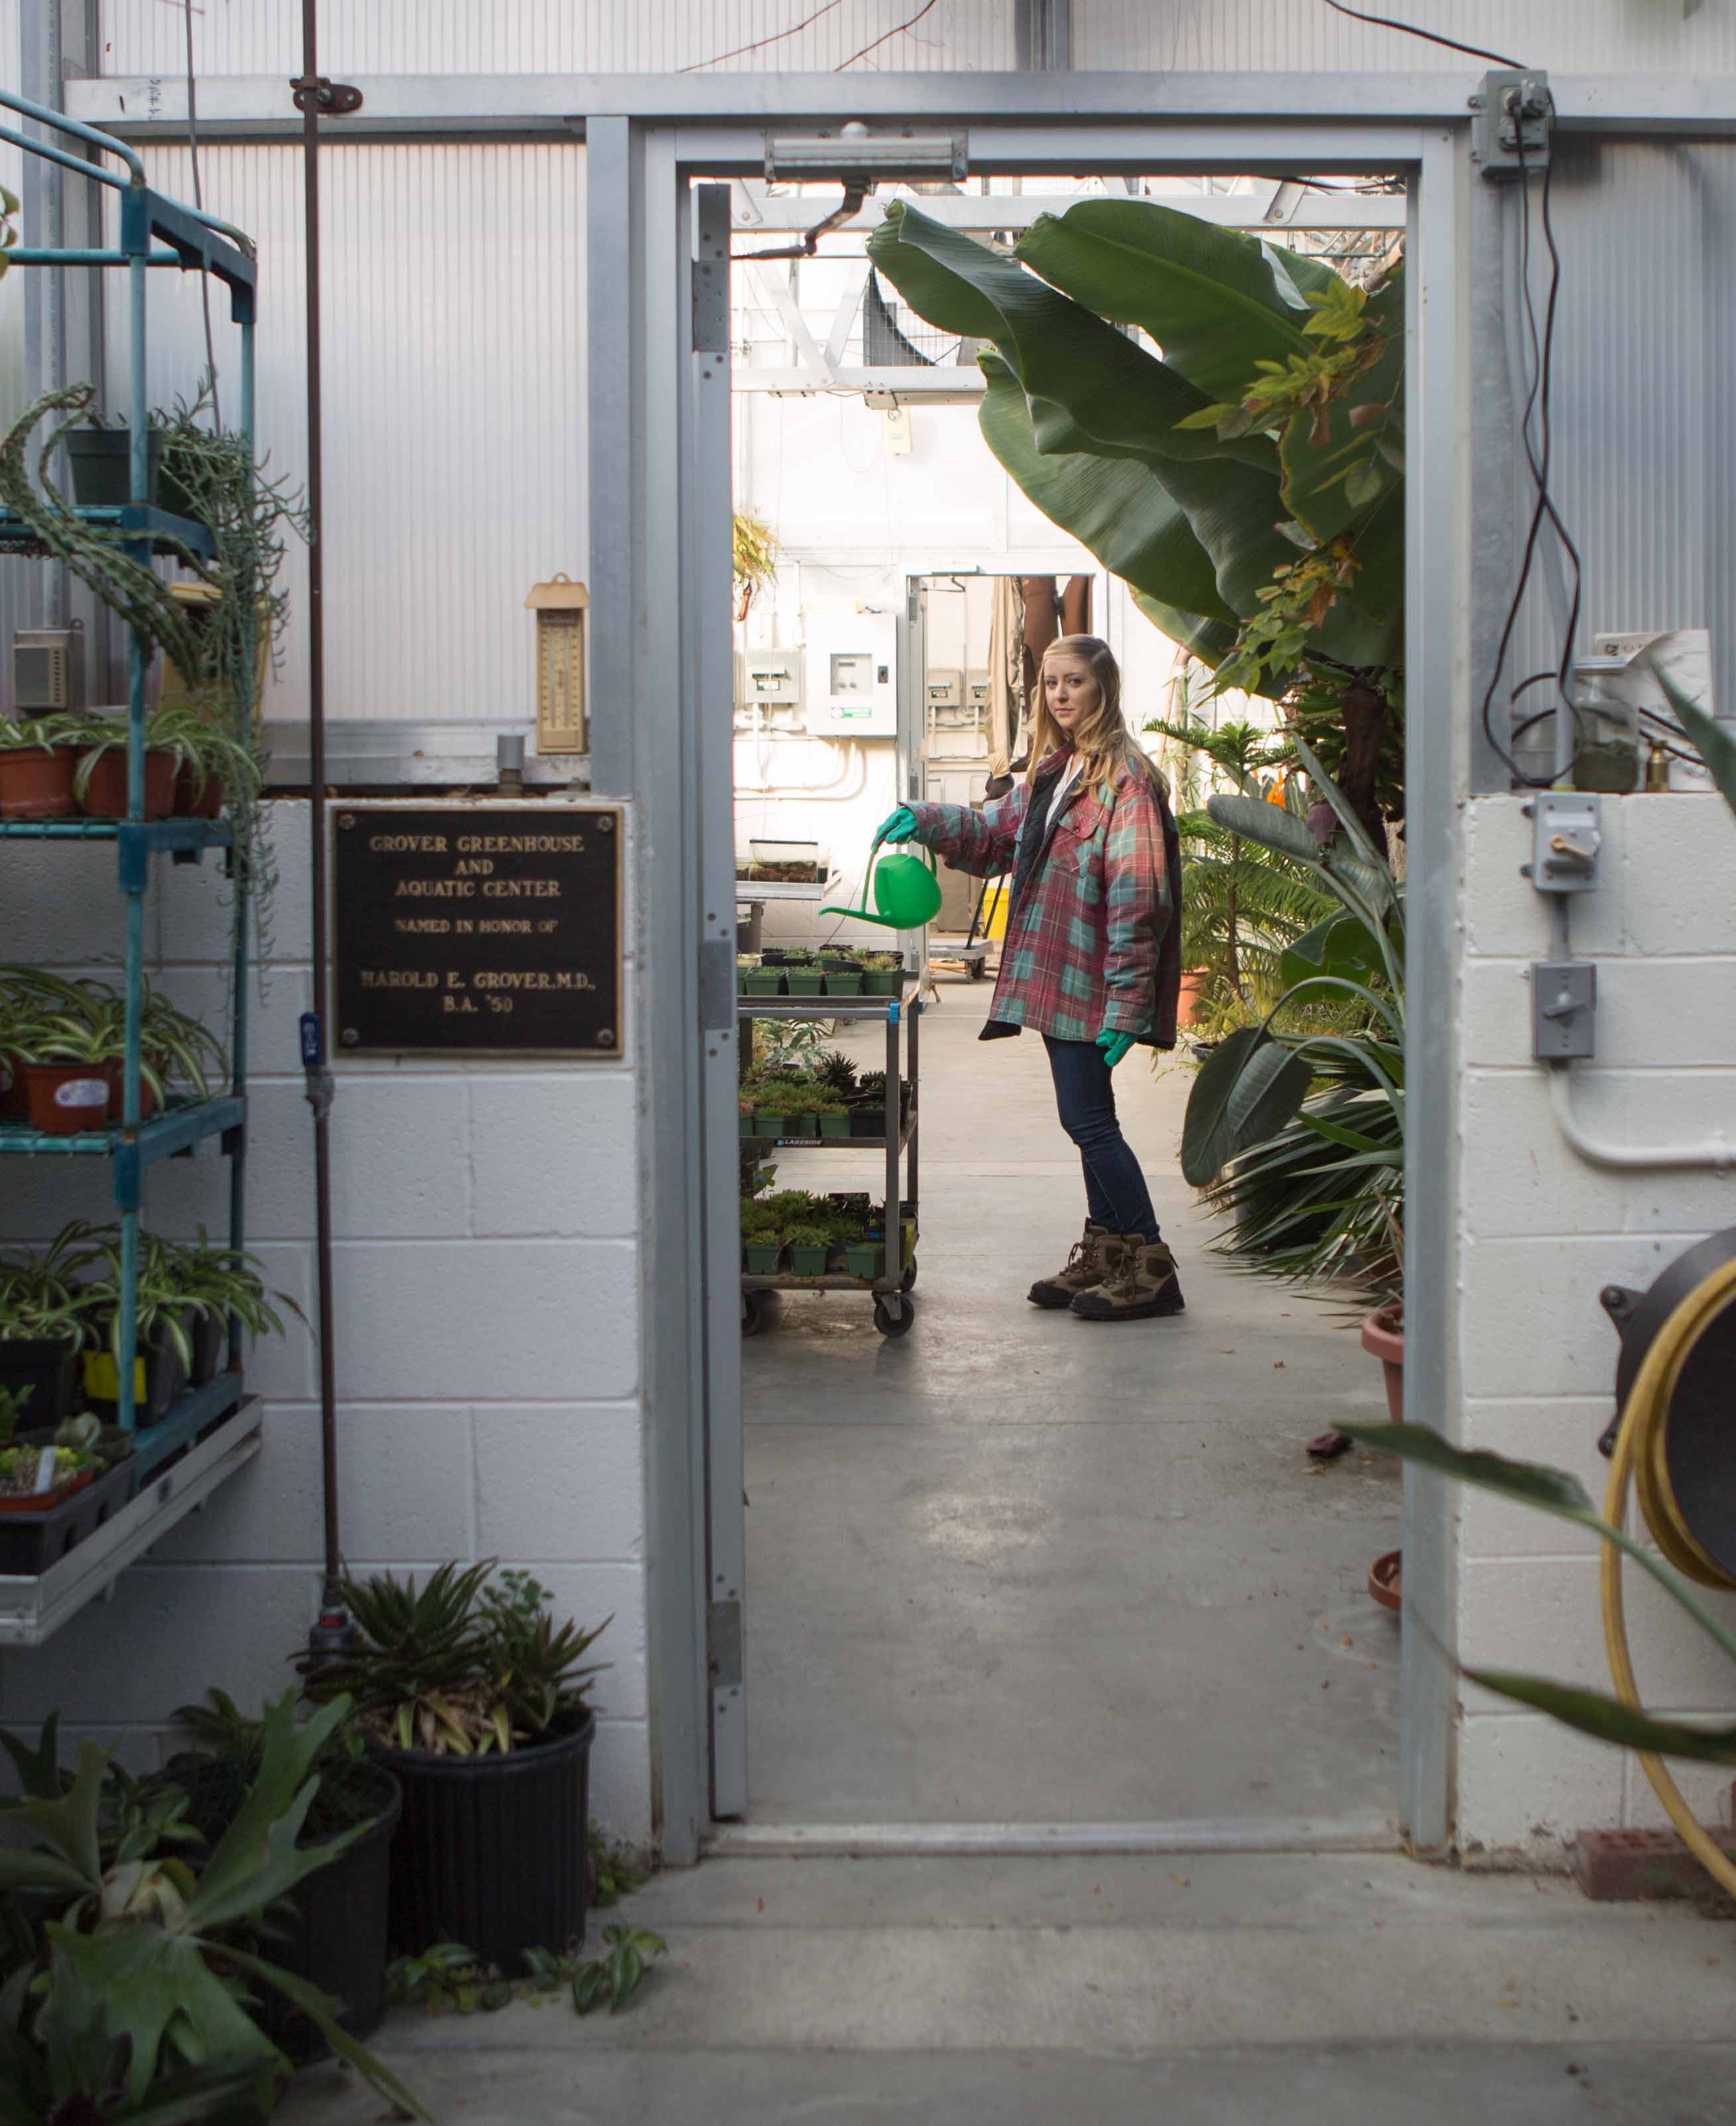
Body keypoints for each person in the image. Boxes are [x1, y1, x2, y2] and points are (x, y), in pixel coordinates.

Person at [876, 635, 1185, 1324]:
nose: (1061, 696)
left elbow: (1142, 897)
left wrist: (1129, 1001)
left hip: (1094, 980)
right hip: (1056, 974)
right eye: (1051, 685)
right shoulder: (1056, 771)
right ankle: (1108, 1253)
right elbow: (995, 836)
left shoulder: (1125, 780)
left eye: (1074, 682)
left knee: (1090, 1124)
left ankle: (1152, 1266)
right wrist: (925, 820)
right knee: (1087, 1122)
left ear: (1103, 686)